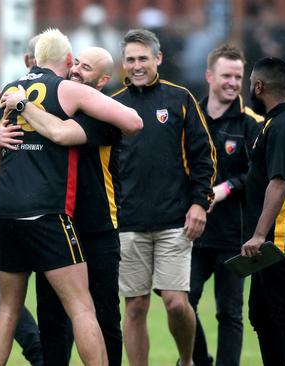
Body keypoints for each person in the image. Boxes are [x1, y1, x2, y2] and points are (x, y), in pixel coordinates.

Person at [0, 28, 142, 366]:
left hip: (38, 217)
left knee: (12, 309)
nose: (77, 71)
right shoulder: (66, 91)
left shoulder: (13, 92)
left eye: (87, 68)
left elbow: (54, 133)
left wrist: (18, 115)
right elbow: (7, 153)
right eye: (78, 64)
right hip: (48, 214)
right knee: (76, 309)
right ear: (68, 61)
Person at [113, 29, 216, 366]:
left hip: (175, 221)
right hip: (129, 222)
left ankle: (186, 359)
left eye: (143, 58)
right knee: (135, 306)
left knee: (174, 301)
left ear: (158, 59)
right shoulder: (113, 105)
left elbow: (204, 157)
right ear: (123, 64)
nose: (137, 65)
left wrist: (200, 202)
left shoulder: (180, 98)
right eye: (131, 59)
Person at [187, 44, 262, 366]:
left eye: (238, 76)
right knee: (181, 300)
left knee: (229, 312)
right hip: (192, 232)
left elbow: (257, 175)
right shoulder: (190, 117)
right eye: (226, 76)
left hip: (235, 235)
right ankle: (200, 360)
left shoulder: (251, 124)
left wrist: (226, 188)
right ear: (209, 76)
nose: (233, 82)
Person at [241, 56, 285, 366]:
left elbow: (280, 181)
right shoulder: (283, 120)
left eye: (249, 83)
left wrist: (259, 234)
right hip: (273, 243)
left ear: (258, 86)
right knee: (261, 312)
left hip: (278, 242)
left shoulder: (284, 125)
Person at [0, 35, 43, 366]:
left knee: (6, 301)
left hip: (41, 211)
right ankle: (41, 354)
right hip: (15, 210)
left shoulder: (16, 98)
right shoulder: (11, 101)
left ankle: (42, 354)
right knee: (2, 298)